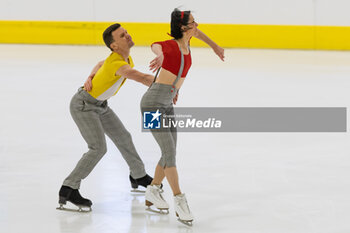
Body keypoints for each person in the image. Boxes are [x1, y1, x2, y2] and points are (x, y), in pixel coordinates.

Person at [57, 23, 157, 212]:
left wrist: (91, 75)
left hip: (100, 105)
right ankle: (69, 188)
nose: (127, 36)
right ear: (114, 46)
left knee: (123, 137)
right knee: (98, 148)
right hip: (84, 106)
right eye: (122, 36)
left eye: (126, 32)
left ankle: (138, 175)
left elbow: (101, 63)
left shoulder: (121, 57)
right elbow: (142, 78)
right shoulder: (119, 64)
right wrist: (169, 84)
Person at [140, 8, 225, 225]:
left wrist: (215, 46)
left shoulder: (188, 41)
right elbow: (155, 45)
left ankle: (153, 190)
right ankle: (179, 199)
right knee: (169, 152)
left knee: (170, 151)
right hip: (151, 105)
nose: (197, 25)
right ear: (183, 27)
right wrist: (159, 55)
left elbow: (200, 34)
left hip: (167, 102)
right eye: (193, 22)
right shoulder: (168, 45)